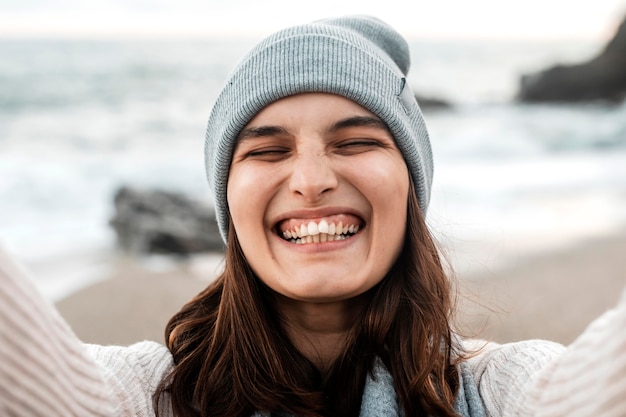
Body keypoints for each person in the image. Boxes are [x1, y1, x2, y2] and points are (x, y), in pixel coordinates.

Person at [1, 15, 625, 417]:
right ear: (228, 201)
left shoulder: (491, 391)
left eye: (355, 142)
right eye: (268, 151)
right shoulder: (151, 395)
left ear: (411, 183)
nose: (311, 181)